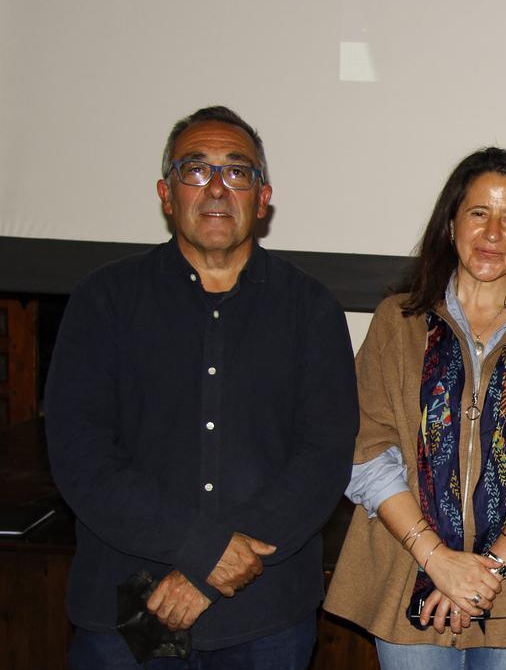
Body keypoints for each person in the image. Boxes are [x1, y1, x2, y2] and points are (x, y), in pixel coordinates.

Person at [44, 105, 359, 667]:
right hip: (127, 610)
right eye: (196, 170)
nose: (216, 187)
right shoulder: (105, 301)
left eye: (237, 172)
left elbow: (322, 460)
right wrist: (202, 551)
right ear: (166, 194)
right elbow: (81, 457)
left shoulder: (310, 309)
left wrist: (209, 574)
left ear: (262, 199)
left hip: (264, 616)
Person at [323, 147, 506, 670]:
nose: (492, 233)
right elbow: (365, 449)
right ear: (452, 222)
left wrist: (487, 570)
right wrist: (438, 561)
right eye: (479, 213)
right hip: (406, 571)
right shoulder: (398, 321)